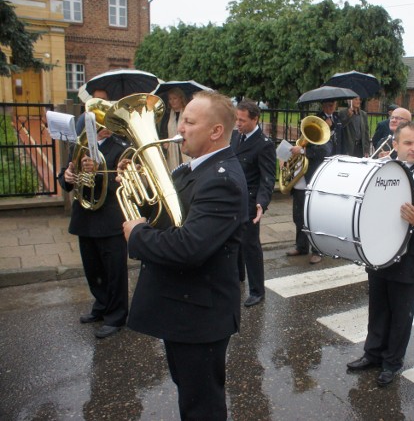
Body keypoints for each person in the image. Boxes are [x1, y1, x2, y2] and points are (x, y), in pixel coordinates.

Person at [123, 91, 248, 420]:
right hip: (184, 308)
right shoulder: (187, 171)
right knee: (190, 395)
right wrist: (133, 183)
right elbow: (162, 214)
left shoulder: (223, 181)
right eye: (181, 119)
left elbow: (188, 247)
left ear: (216, 131)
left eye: (190, 122)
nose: (180, 128)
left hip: (201, 317)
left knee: (202, 406)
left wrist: (137, 234)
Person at [347, 121, 414, 386]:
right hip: (378, 254)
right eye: (408, 143)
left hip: (410, 261)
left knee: (401, 315)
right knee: (378, 309)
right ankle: (372, 354)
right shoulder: (382, 169)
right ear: (395, 145)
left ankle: (392, 362)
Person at [57, 88, 129, 339]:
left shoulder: (122, 147)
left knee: (114, 270)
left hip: (110, 218)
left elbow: (124, 182)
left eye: (107, 122)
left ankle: (117, 315)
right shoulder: (81, 145)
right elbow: (65, 177)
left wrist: (98, 171)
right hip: (85, 217)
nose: (104, 128)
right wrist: (67, 177)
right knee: (93, 269)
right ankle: (101, 306)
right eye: (99, 123)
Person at [231, 100, 277, 307]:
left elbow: (268, 178)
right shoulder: (234, 136)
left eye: (242, 120)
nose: (238, 123)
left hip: (250, 202)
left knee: (250, 245)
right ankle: (239, 276)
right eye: (236, 119)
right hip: (233, 199)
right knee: (234, 241)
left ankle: (257, 290)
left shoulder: (264, 144)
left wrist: (262, 203)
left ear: (255, 119)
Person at [286, 101, 337, 265]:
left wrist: (302, 150)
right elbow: (301, 142)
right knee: (298, 214)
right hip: (301, 175)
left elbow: (326, 150)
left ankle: (317, 250)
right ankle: (301, 246)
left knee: (314, 216)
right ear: (323, 105)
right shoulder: (315, 120)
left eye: (333, 104)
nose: (330, 106)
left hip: (316, 175)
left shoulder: (336, 122)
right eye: (328, 104)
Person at [158, 87, 191, 170]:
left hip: (187, 146)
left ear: (181, 99)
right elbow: (162, 132)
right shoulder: (167, 115)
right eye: (170, 99)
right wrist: (165, 141)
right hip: (171, 149)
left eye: (175, 98)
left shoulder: (188, 113)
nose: (172, 101)